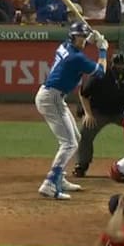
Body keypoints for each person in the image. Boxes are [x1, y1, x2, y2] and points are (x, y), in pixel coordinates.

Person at [36, 24, 108, 199]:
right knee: (69, 144)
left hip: (54, 97)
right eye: (80, 37)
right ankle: (50, 183)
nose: (83, 40)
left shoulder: (64, 46)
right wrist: (103, 50)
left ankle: (59, 179)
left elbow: (78, 49)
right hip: (51, 98)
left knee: (75, 138)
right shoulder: (75, 58)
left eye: (84, 37)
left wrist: (90, 41)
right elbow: (100, 72)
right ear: (72, 38)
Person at [74, 53, 124, 177]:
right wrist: (88, 114)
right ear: (112, 65)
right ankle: (81, 165)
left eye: (123, 64)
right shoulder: (100, 74)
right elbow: (83, 93)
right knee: (85, 132)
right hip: (98, 111)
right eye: (118, 64)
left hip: (122, 112)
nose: (121, 67)